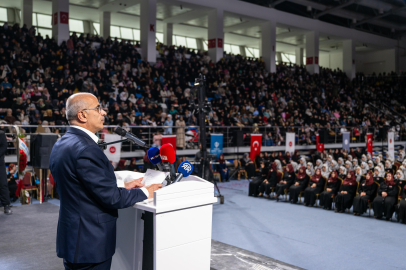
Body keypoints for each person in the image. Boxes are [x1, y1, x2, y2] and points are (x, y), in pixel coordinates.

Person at [49, 93, 162, 270]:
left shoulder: (62, 143)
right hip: (90, 242)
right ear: (82, 115)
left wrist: (122, 186)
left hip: (75, 238)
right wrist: (147, 191)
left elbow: (80, 186)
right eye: (98, 108)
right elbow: (112, 199)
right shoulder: (86, 148)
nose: (104, 112)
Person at [0, 130, 12, 214]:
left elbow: (4, 146)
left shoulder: (1, 133)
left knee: (3, 184)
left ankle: (6, 205)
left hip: (0, 163)